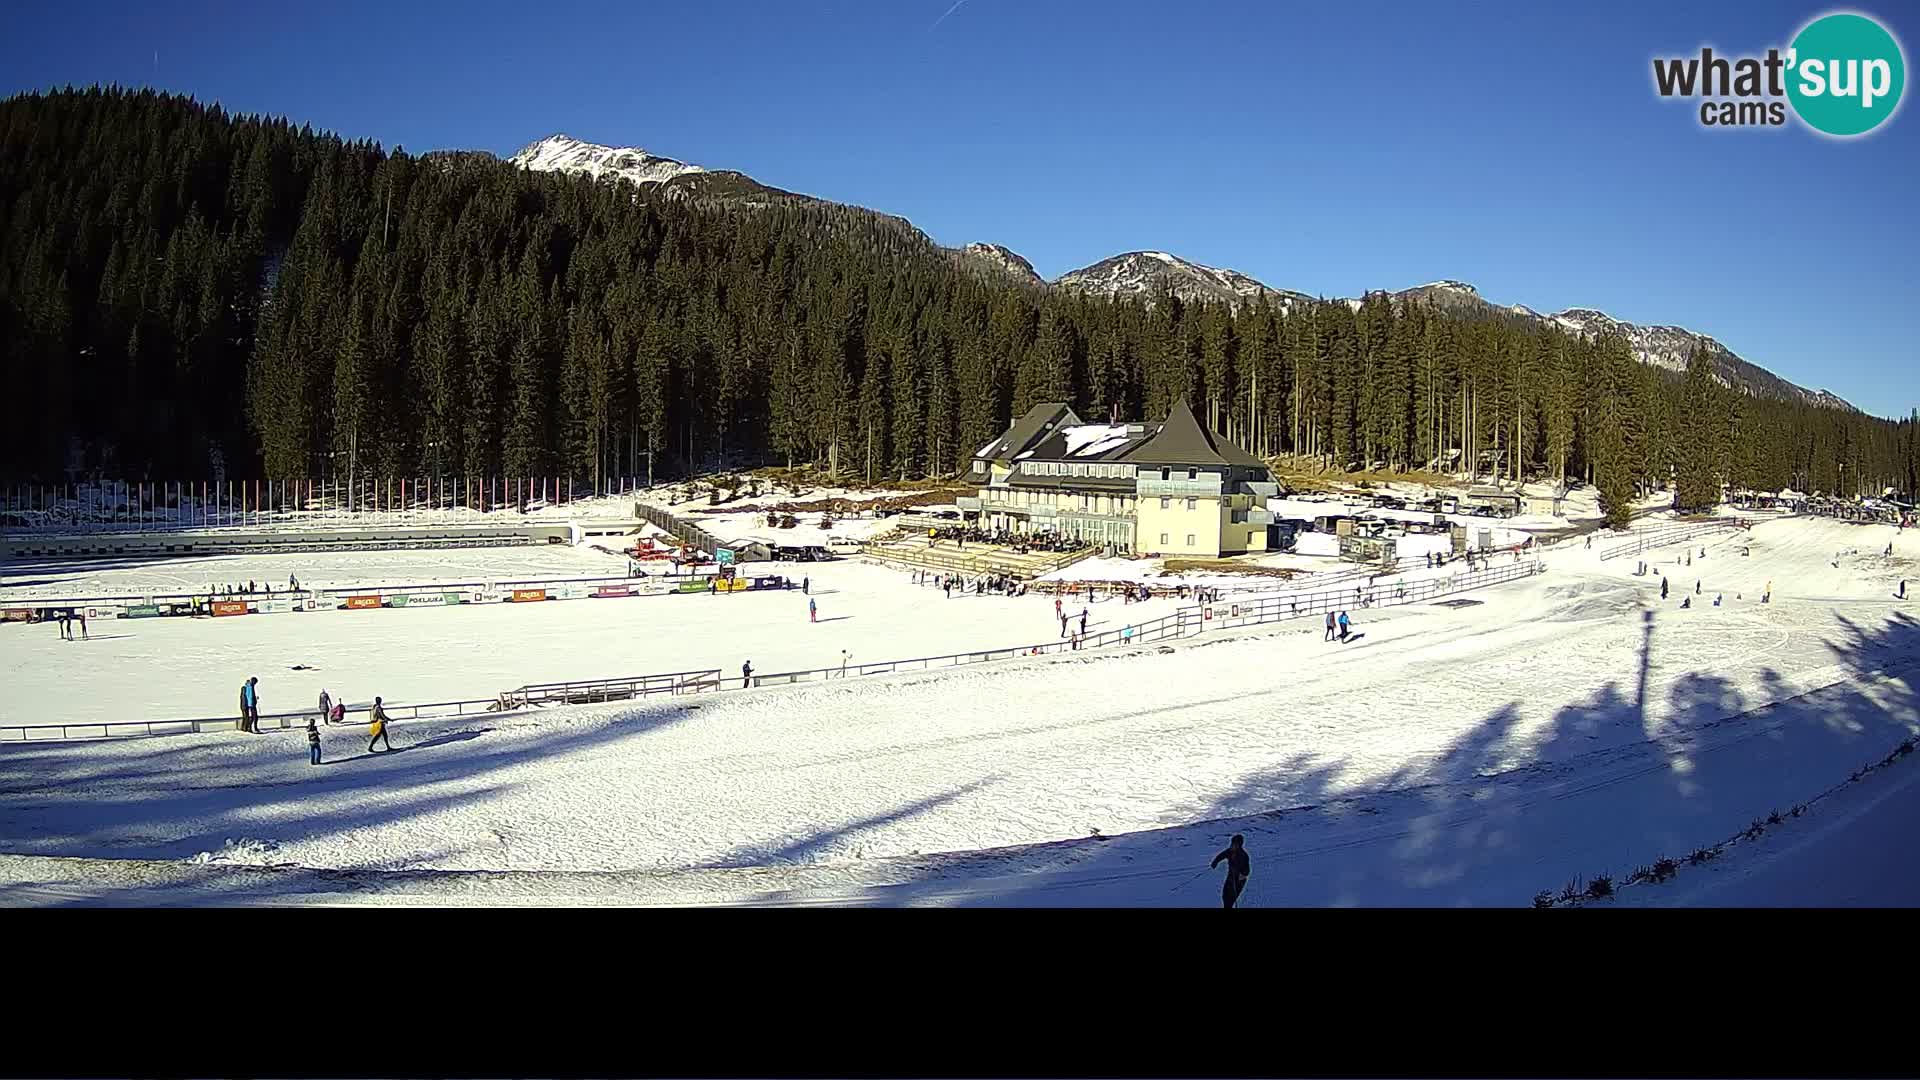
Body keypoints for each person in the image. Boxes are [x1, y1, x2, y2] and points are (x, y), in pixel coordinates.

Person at [1210, 833, 1251, 909]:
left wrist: (1241, 875)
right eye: (1232, 843)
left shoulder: (1243, 855)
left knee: (1231, 899)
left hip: (1239, 880)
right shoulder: (1230, 851)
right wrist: (1215, 862)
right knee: (1225, 896)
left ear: (1239, 845)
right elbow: (1221, 855)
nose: (1232, 845)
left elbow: (1247, 870)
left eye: (1235, 844)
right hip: (1230, 877)